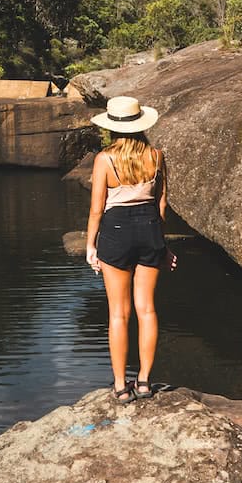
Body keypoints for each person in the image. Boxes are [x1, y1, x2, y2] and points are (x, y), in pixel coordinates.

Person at [85, 95, 177, 404]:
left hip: (116, 232)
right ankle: (144, 382)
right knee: (147, 309)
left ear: (112, 128)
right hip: (149, 229)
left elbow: (97, 209)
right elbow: (161, 204)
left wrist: (90, 245)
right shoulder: (156, 155)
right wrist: (161, 245)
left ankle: (121, 387)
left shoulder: (105, 159)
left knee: (118, 314)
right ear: (140, 126)